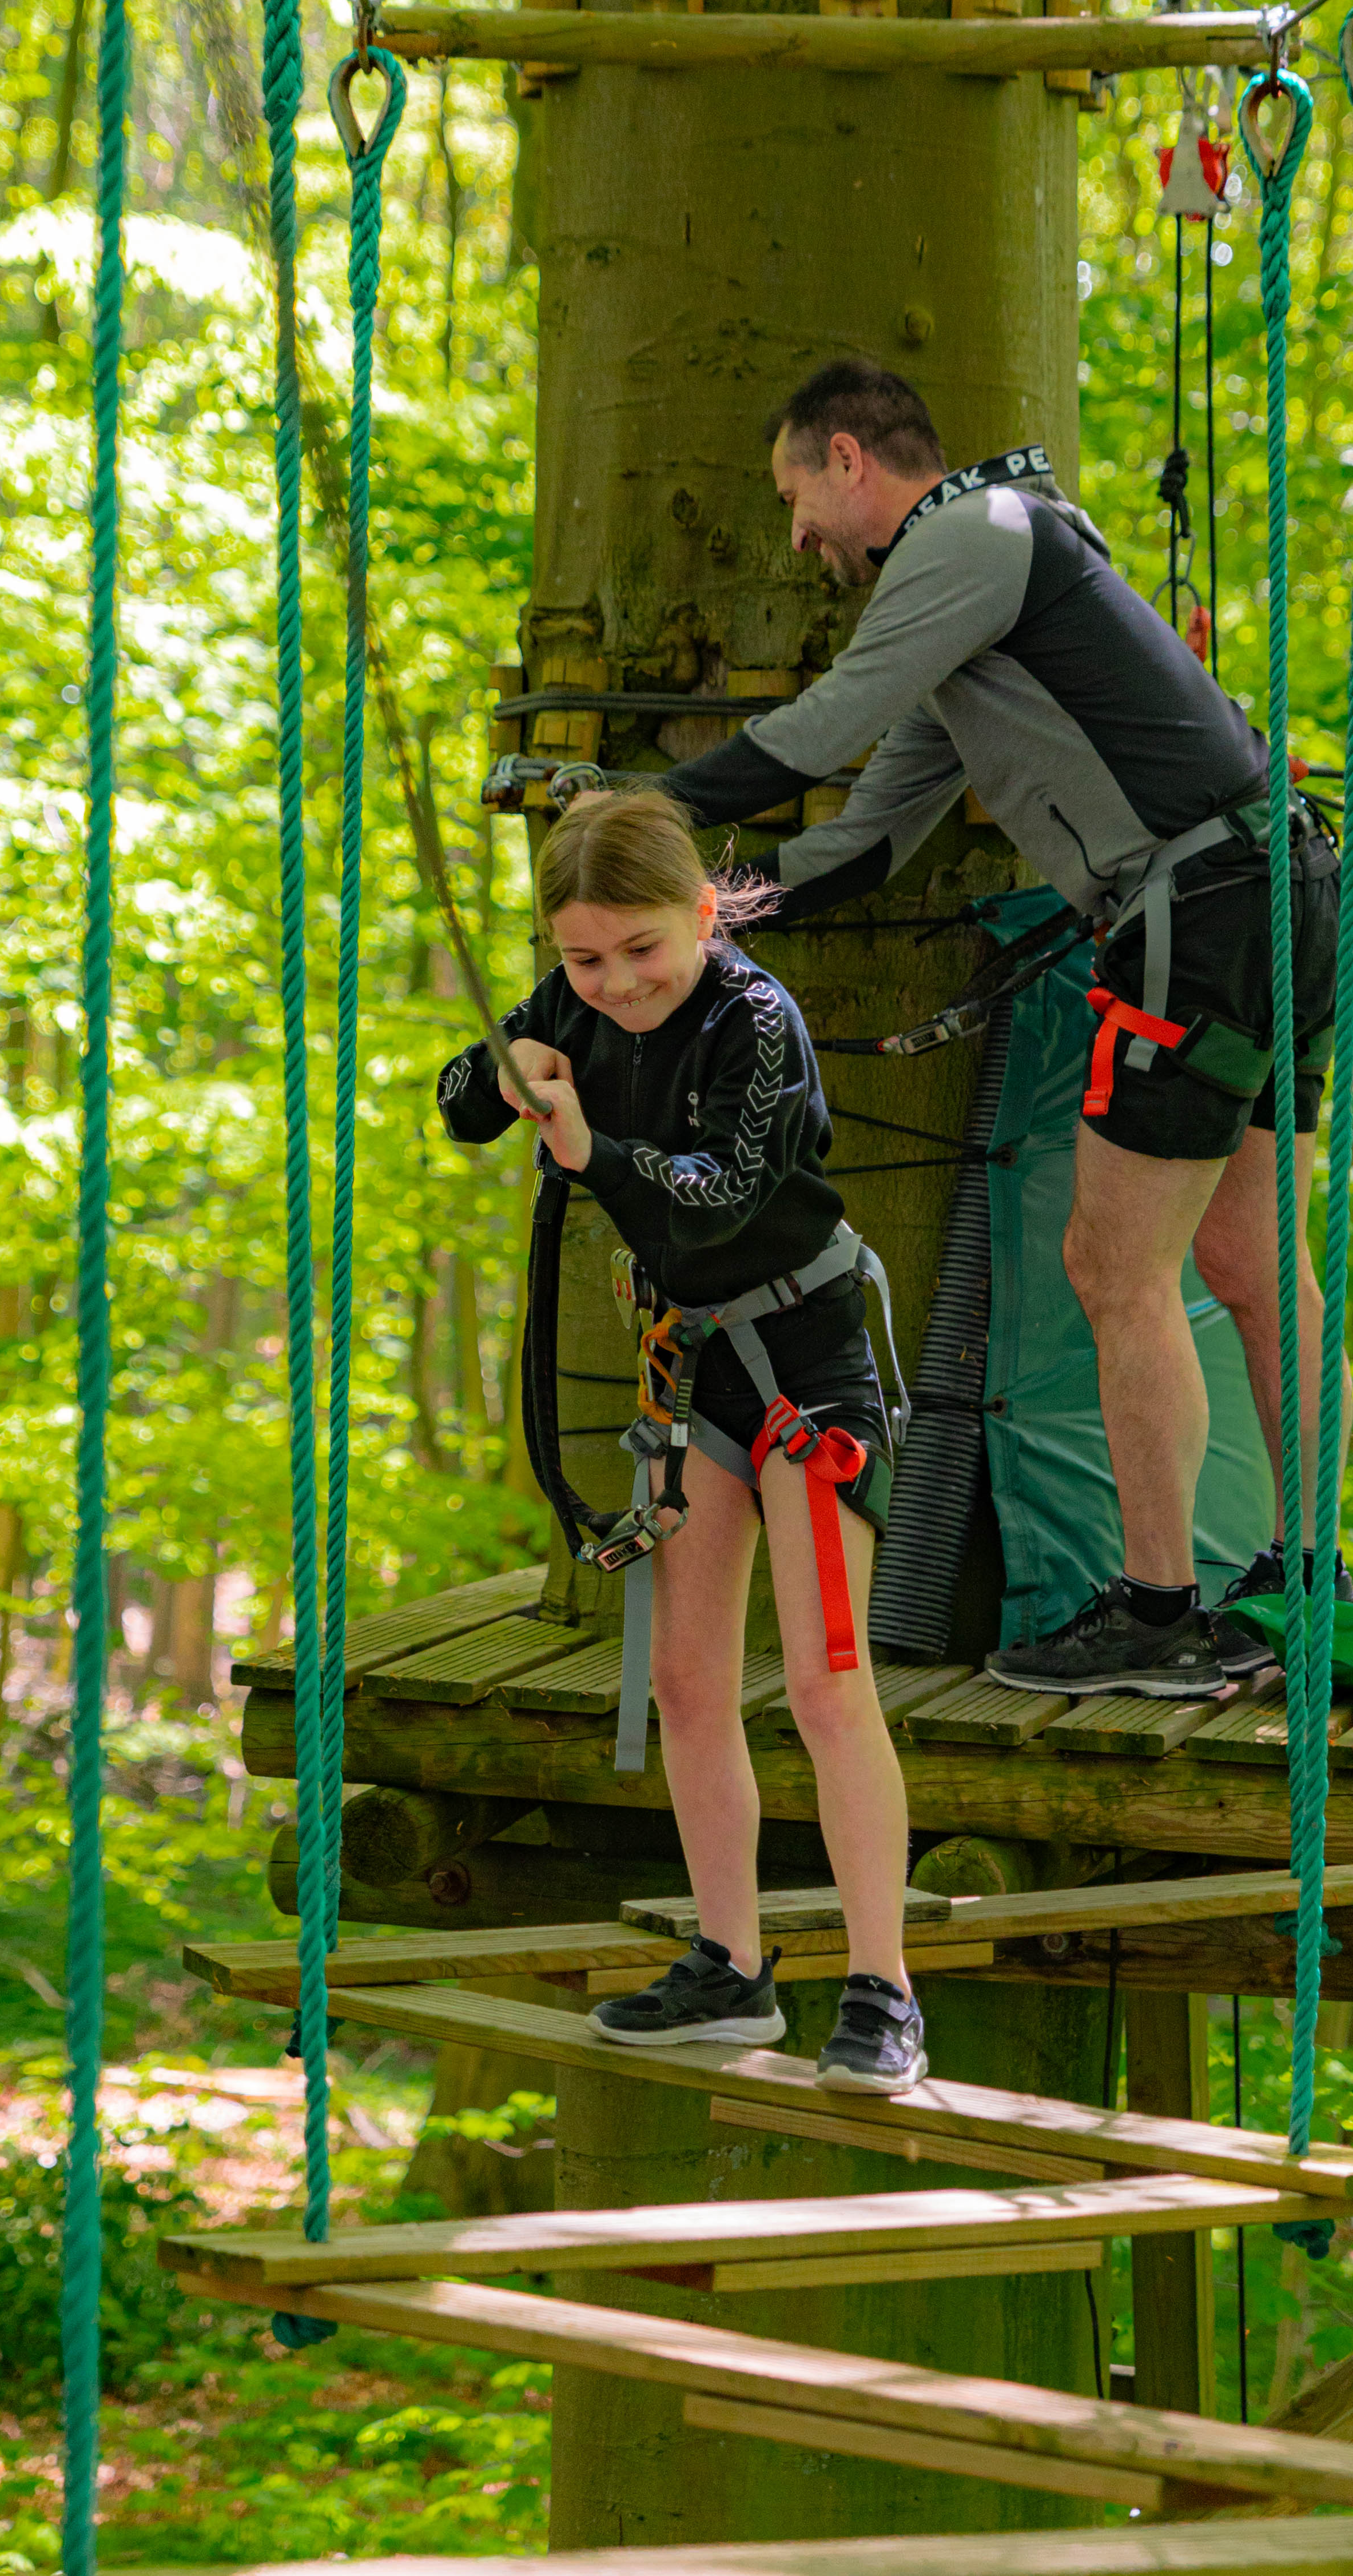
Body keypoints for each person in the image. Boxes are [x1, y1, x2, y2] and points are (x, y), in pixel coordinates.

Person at [658, 358, 1353, 1700]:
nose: (798, 533)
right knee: (1255, 1263)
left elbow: (818, 732)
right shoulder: (983, 619)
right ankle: (1309, 1577)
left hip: (1198, 905)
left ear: (852, 458)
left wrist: (630, 810)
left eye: (797, 494)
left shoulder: (978, 534)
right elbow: (859, 843)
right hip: (1278, 890)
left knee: (1112, 1262)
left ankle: (1162, 1610)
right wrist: (694, 915)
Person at [436, 785, 926, 2094]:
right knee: (686, 1684)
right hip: (694, 1367)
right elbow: (461, 1099)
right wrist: (508, 1066)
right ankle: (731, 1963)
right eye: (584, 959)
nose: (616, 983)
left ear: (704, 914)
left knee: (828, 1681)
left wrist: (590, 1145)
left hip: (808, 1365)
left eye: (643, 949)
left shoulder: (757, 1020)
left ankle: (883, 1984)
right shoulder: (572, 999)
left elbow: (720, 1194)